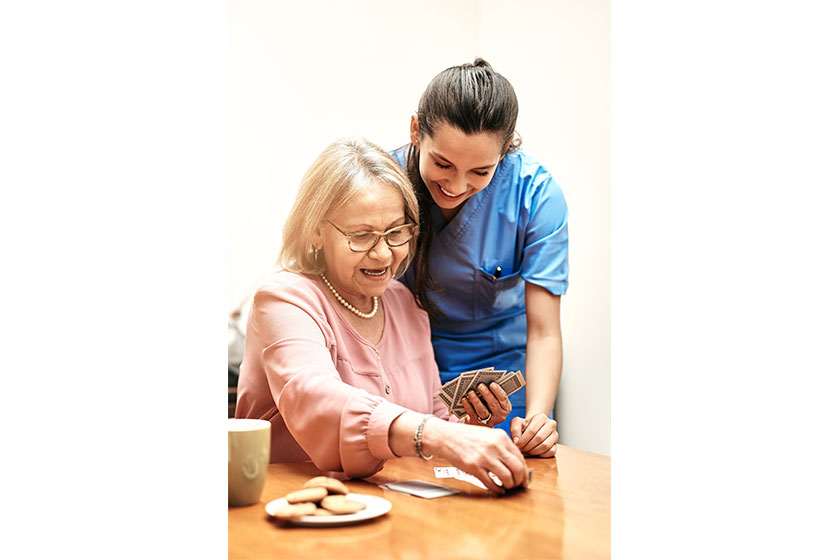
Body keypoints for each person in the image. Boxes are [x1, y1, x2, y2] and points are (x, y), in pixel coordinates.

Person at [235, 137, 528, 493]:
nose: (383, 254)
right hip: (292, 510)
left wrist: (469, 426)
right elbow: (315, 396)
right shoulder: (283, 299)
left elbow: (432, 420)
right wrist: (440, 436)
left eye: (396, 232)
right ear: (315, 233)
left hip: (384, 511)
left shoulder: (405, 303)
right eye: (361, 236)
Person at [392, 59, 567, 457]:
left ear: (505, 152)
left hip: (504, 386)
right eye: (442, 163)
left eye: (480, 172)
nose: (456, 186)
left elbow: (544, 331)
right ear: (416, 131)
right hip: (408, 376)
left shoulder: (536, 197)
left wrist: (538, 420)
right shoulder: (384, 183)